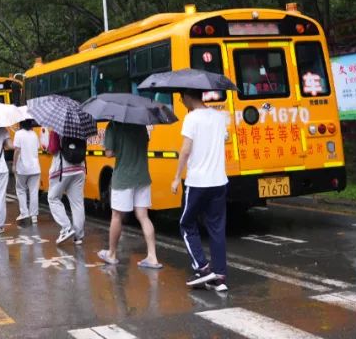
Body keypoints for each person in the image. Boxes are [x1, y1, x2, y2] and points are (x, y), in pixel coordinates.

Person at [172, 88, 230, 292]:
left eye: (181, 98)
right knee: (216, 228)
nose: (181, 101)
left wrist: (177, 177)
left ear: (188, 96)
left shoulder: (192, 118)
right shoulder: (219, 116)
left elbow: (186, 149)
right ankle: (220, 276)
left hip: (197, 182)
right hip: (219, 181)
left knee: (186, 224)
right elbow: (223, 139)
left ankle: (202, 268)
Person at [97, 120, 161, 269]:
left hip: (123, 178)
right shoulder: (141, 125)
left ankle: (111, 254)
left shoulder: (113, 126)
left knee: (117, 216)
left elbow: (109, 153)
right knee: (144, 216)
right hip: (142, 176)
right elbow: (144, 144)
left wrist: (107, 145)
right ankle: (152, 256)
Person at [44, 127, 85, 244]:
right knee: (77, 202)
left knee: (53, 198)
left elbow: (53, 149)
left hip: (63, 168)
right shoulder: (81, 126)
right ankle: (78, 236)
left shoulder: (56, 126)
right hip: (79, 168)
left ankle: (66, 228)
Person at [12, 120, 41, 225]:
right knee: (33, 191)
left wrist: (14, 164)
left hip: (23, 168)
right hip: (35, 168)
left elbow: (17, 150)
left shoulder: (18, 134)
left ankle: (24, 213)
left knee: (21, 190)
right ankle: (34, 216)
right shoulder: (34, 134)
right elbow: (37, 147)